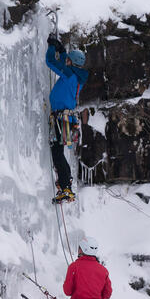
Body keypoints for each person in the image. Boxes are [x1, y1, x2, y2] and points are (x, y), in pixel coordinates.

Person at [46, 33, 89, 203]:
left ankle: (65, 187)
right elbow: (66, 64)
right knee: (59, 152)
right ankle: (66, 185)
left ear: (72, 62)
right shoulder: (76, 75)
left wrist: (51, 46)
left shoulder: (70, 74)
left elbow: (51, 62)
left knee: (57, 153)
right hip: (67, 119)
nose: (66, 61)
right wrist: (62, 50)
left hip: (61, 118)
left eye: (68, 59)